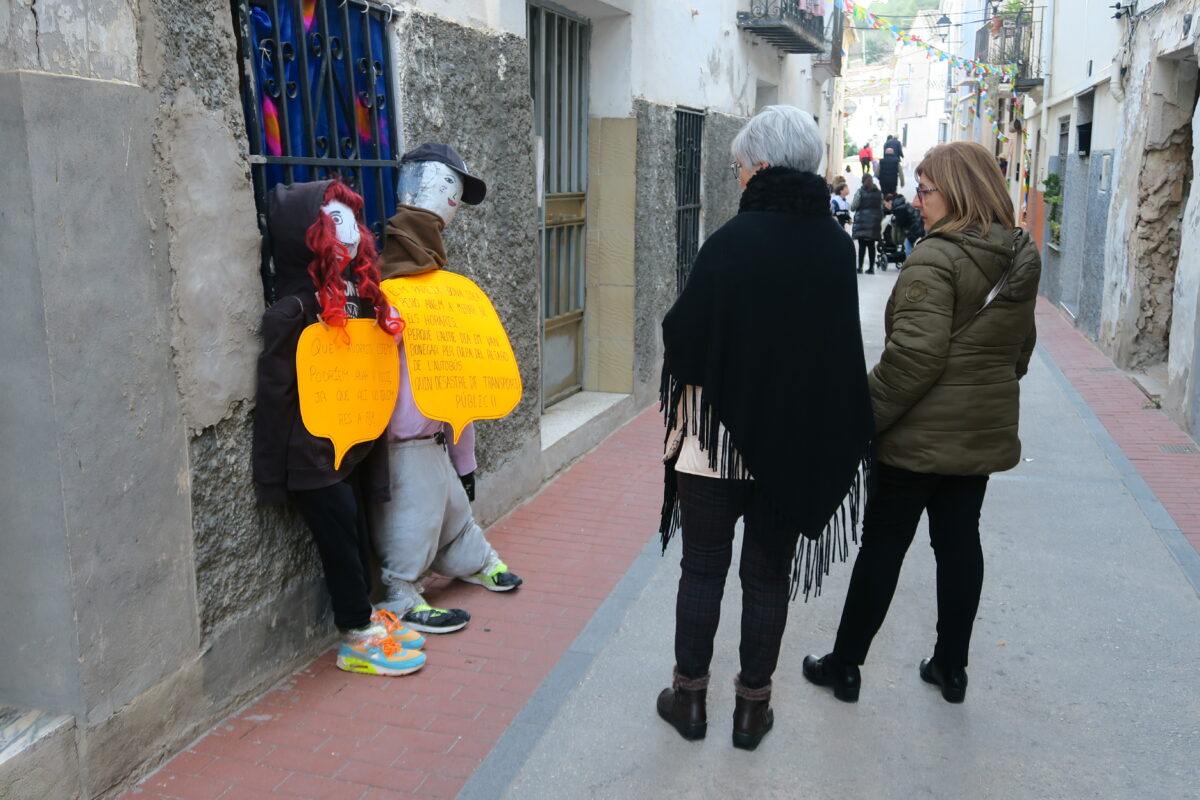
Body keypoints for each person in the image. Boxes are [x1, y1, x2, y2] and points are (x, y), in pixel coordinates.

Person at [656, 105, 873, 750]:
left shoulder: (730, 241)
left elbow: (684, 337)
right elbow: (836, 354)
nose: (738, 176)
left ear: (762, 167)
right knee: (767, 576)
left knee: (702, 570)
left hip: (715, 443)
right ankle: (752, 711)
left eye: (740, 166)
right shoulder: (835, 246)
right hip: (792, 447)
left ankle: (689, 700)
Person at [803, 140, 1042, 705]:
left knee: (884, 545)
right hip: (979, 433)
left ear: (955, 192)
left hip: (915, 436)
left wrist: (860, 420)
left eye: (925, 188)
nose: (916, 198)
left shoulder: (936, 257)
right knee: (959, 543)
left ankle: (846, 665)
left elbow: (914, 359)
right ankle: (951, 669)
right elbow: (1021, 348)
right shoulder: (1019, 255)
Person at [252, 179, 427, 676]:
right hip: (312, 455)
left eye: (352, 219)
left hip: (349, 444)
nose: (349, 233)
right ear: (307, 233)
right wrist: (270, 475)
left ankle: (367, 615)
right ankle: (355, 635)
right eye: (334, 221)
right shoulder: (295, 311)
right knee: (339, 539)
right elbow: (275, 395)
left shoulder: (357, 298)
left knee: (355, 528)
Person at [371, 143, 523, 634]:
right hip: (403, 438)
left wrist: (465, 459)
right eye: (449, 188)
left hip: (437, 432)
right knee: (412, 522)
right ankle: (400, 590)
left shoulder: (444, 288)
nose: (452, 203)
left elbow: (457, 377)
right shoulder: (382, 286)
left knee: (455, 513)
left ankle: (476, 560)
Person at [851, 174, 884, 274]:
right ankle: (871, 268)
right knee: (871, 246)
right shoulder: (879, 193)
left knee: (862, 246)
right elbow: (881, 208)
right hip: (874, 223)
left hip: (862, 222)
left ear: (862, 181)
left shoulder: (860, 192)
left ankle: (859, 267)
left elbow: (853, 206)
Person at [888, 191, 925, 256]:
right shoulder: (907, 206)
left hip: (914, 232)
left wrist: (894, 222)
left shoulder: (900, 210)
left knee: (908, 247)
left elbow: (901, 223)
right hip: (920, 229)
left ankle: (910, 261)